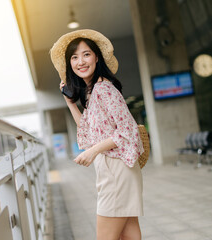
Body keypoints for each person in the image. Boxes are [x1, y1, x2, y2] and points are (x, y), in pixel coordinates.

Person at [50, 29, 145, 240]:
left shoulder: (104, 89)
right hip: (115, 170)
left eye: (86, 54)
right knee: (129, 234)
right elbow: (88, 130)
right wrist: (71, 104)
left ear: (96, 57)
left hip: (117, 170)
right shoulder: (92, 92)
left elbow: (127, 130)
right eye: (74, 57)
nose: (80, 61)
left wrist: (93, 151)